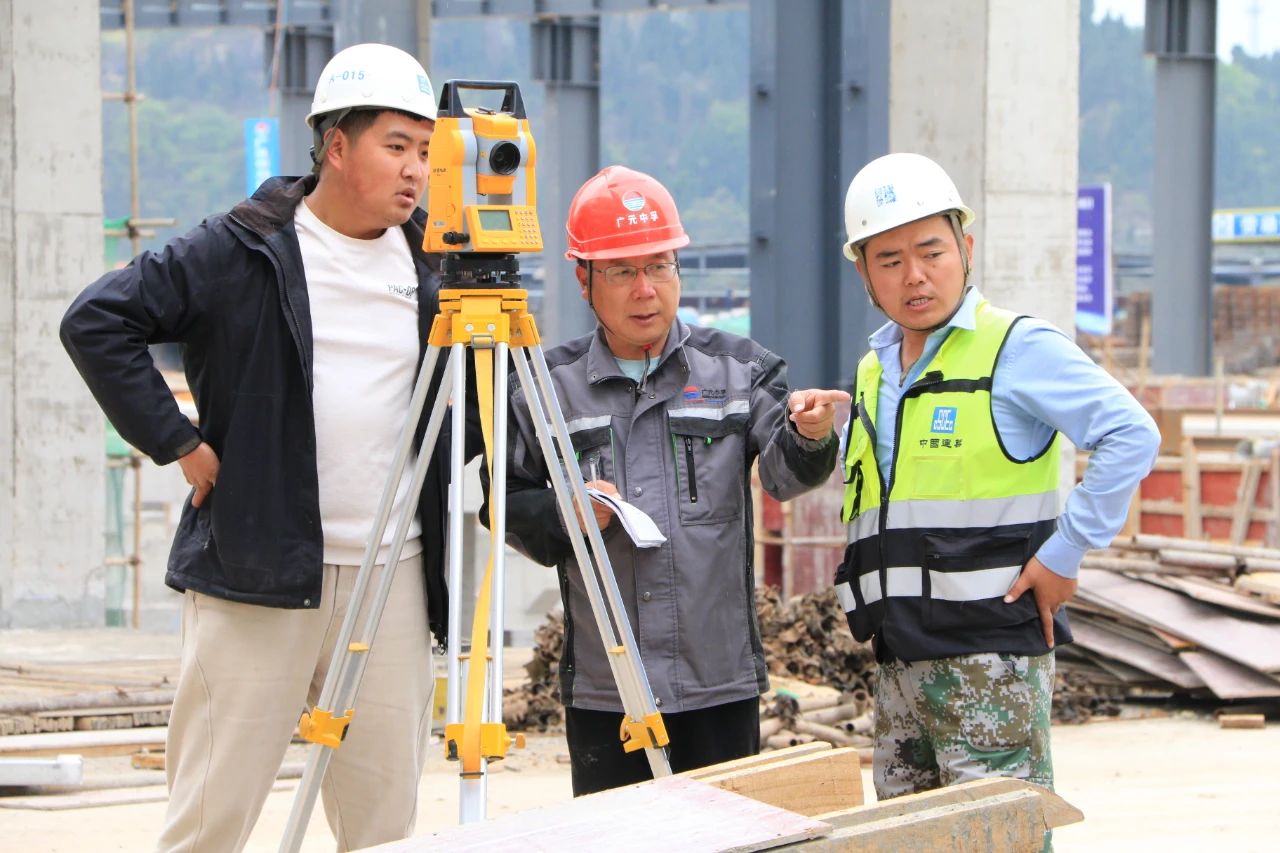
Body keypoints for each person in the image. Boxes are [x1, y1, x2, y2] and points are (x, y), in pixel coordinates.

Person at [60, 43, 459, 852]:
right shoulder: (241, 248)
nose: (415, 169)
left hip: (393, 575)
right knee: (212, 819)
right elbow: (96, 321)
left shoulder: (437, 261)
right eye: (396, 146)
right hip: (255, 570)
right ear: (335, 146)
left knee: (386, 831)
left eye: (425, 150)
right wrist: (177, 441)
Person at [834, 153, 1160, 843]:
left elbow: (1131, 433)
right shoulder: (873, 372)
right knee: (906, 839)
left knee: (999, 839)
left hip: (989, 661)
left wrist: (1066, 550)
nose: (915, 275)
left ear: (966, 248)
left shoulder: (1016, 348)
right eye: (889, 259)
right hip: (898, 664)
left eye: (932, 250)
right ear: (862, 271)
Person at [501, 165, 850, 795]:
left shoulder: (739, 370)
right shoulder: (545, 388)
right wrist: (564, 515)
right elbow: (504, 505)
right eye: (622, 271)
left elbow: (785, 476)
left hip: (718, 680)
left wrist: (814, 434)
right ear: (583, 279)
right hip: (608, 688)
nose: (646, 290)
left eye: (659, 266)